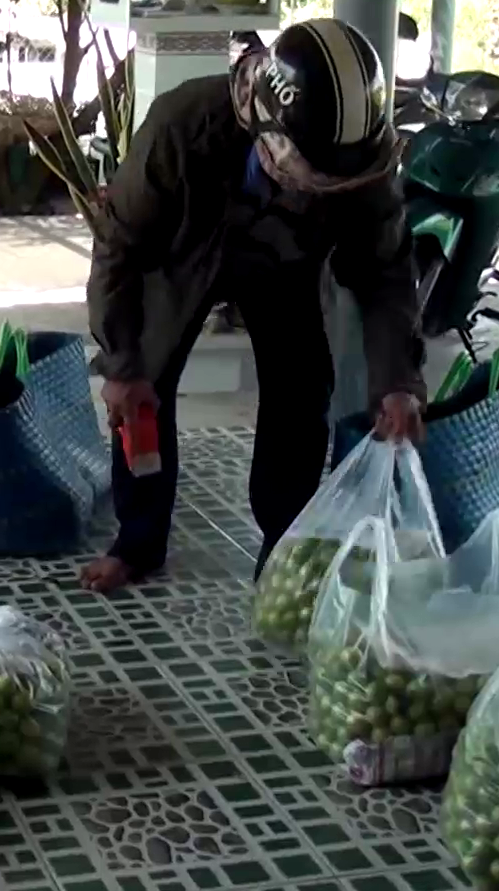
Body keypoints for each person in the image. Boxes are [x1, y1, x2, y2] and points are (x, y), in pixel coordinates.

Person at [80, 18, 426, 594]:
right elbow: (118, 246)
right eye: (312, 179)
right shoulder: (182, 126)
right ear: (266, 137)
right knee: (143, 392)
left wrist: (398, 379)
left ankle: (283, 550)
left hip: (284, 264)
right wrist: (121, 363)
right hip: (184, 257)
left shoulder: (361, 160)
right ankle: (137, 542)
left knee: (300, 394)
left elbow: (386, 271)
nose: (324, 192)